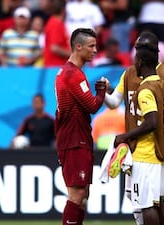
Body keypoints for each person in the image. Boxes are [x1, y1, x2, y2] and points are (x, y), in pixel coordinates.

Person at [104, 31, 164, 225]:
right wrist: (106, 92)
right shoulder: (130, 73)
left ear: (140, 55)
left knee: (145, 203)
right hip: (140, 148)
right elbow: (115, 102)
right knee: (152, 202)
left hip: (147, 149)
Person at [54, 28, 106, 225]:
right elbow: (92, 105)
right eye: (91, 46)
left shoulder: (69, 72)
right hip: (75, 139)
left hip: (77, 137)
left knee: (83, 194)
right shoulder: (72, 74)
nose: (95, 50)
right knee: (77, 194)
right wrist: (101, 90)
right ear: (78, 46)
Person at [43, 0, 70, 67]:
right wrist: (72, 55)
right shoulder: (55, 24)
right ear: (63, 10)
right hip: (55, 66)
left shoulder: (56, 23)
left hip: (58, 67)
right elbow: (54, 47)